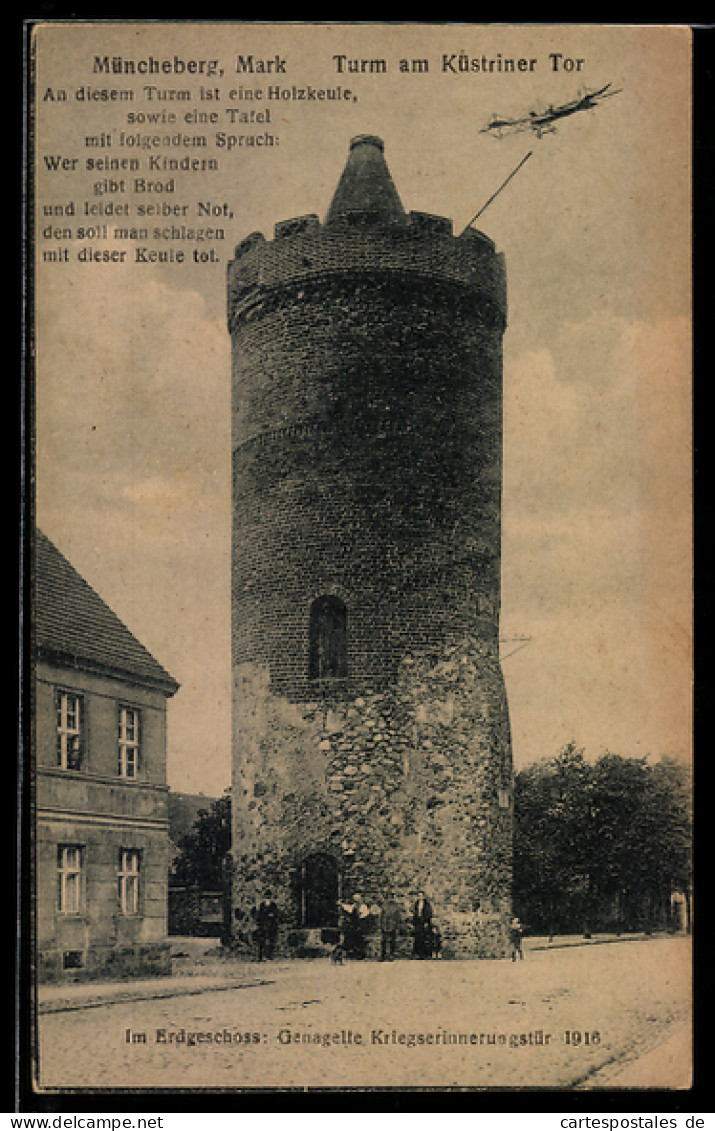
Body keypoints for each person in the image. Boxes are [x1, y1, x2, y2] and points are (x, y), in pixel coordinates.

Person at [340, 893, 370, 959]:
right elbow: (349, 908)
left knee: (359, 939)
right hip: (354, 925)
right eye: (355, 900)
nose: (356, 902)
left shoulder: (363, 907)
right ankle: (352, 953)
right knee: (351, 937)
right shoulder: (354, 906)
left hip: (361, 925)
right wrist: (342, 904)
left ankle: (360, 954)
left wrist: (360, 924)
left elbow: (364, 917)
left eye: (357, 900)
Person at [253, 891, 280, 961]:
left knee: (271, 940)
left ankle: (269, 956)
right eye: (266, 897)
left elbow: (276, 914)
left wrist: (273, 916)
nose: (267, 899)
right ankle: (260, 956)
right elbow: (259, 915)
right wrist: (258, 923)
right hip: (263, 925)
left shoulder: (273, 905)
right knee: (261, 941)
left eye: (269, 897)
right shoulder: (262, 905)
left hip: (271, 925)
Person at [379, 894, 402, 961]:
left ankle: (391, 955)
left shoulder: (396, 907)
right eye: (389, 898)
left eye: (391, 898)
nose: (390, 899)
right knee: (384, 941)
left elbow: (398, 917)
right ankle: (383, 955)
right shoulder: (384, 906)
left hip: (392, 925)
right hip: (385, 925)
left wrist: (397, 926)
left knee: (392, 941)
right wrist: (381, 925)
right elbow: (381, 916)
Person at [412, 890, 433, 959]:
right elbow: (415, 912)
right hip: (418, 922)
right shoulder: (416, 904)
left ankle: (425, 954)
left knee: (424, 937)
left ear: (424, 896)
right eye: (419, 896)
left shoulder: (427, 904)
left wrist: (426, 922)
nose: (420, 897)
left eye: (421, 896)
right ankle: (418, 953)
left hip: (424, 922)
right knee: (418, 938)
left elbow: (429, 914)